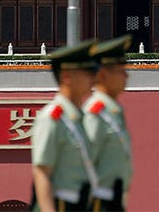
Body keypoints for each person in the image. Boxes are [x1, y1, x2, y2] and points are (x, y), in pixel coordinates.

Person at [31, 39, 114, 212]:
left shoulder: (78, 118)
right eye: (86, 72)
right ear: (67, 77)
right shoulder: (52, 118)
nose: (93, 78)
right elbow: (42, 172)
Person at [83, 35, 133, 210]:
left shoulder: (113, 112)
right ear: (103, 74)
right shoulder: (95, 113)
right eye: (121, 70)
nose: (126, 75)